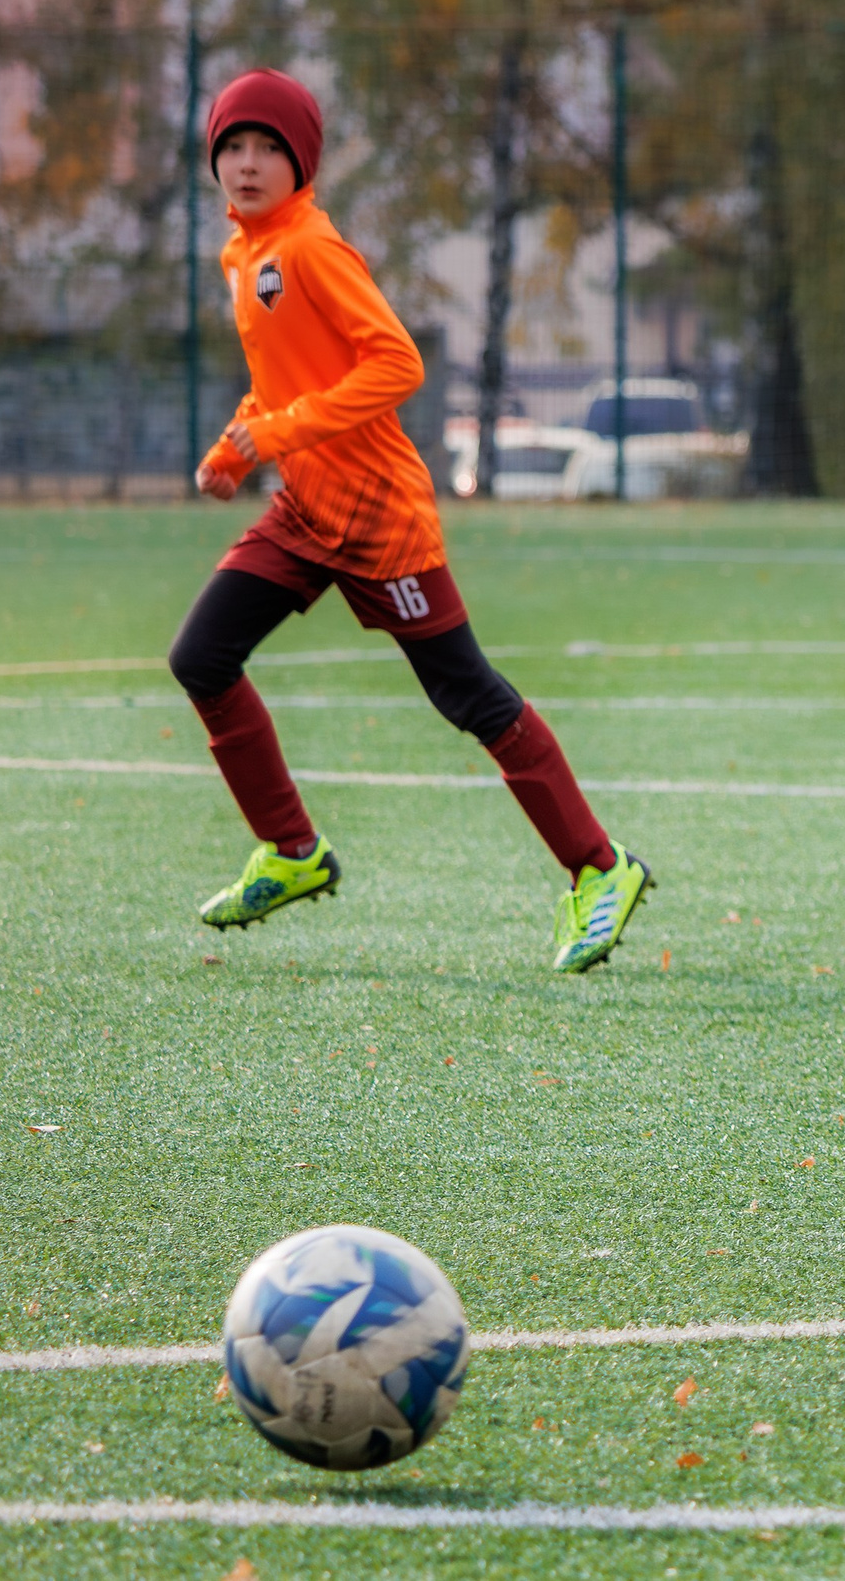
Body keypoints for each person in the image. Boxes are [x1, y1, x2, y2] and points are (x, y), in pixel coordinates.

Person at [168, 67, 654, 974]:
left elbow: (397, 364)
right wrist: (242, 445)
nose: (245, 163)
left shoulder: (310, 248)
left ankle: (601, 866)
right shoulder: (245, 257)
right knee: (201, 657)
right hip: (304, 507)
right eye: (231, 146)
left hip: (378, 516)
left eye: (267, 147)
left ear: (300, 161)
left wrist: (276, 430)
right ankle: (292, 852)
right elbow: (288, 381)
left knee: (467, 694)